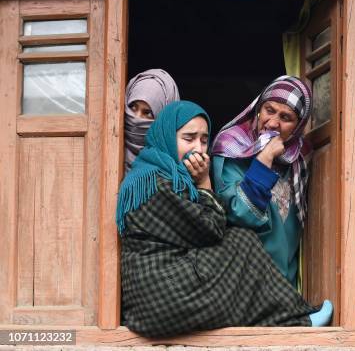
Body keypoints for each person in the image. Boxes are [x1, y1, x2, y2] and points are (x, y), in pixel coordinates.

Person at [117, 100, 332, 338]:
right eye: (188, 139)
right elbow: (212, 230)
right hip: (160, 297)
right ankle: (296, 320)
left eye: (203, 140)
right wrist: (205, 183)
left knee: (241, 243)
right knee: (241, 241)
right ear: (167, 137)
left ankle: (294, 317)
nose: (198, 149)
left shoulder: (165, 174)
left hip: (159, 293)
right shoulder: (155, 183)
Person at [211, 76, 312, 287]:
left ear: (297, 126)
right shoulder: (230, 148)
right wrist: (265, 158)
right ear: (258, 109)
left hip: (285, 286)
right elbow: (241, 213)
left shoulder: (300, 158)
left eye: (286, 117)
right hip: (242, 282)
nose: (273, 123)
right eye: (269, 110)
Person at [124, 68, 180, 172]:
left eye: (147, 113)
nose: (136, 118)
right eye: (132, 107)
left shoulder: (174, 167)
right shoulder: (108, 149)